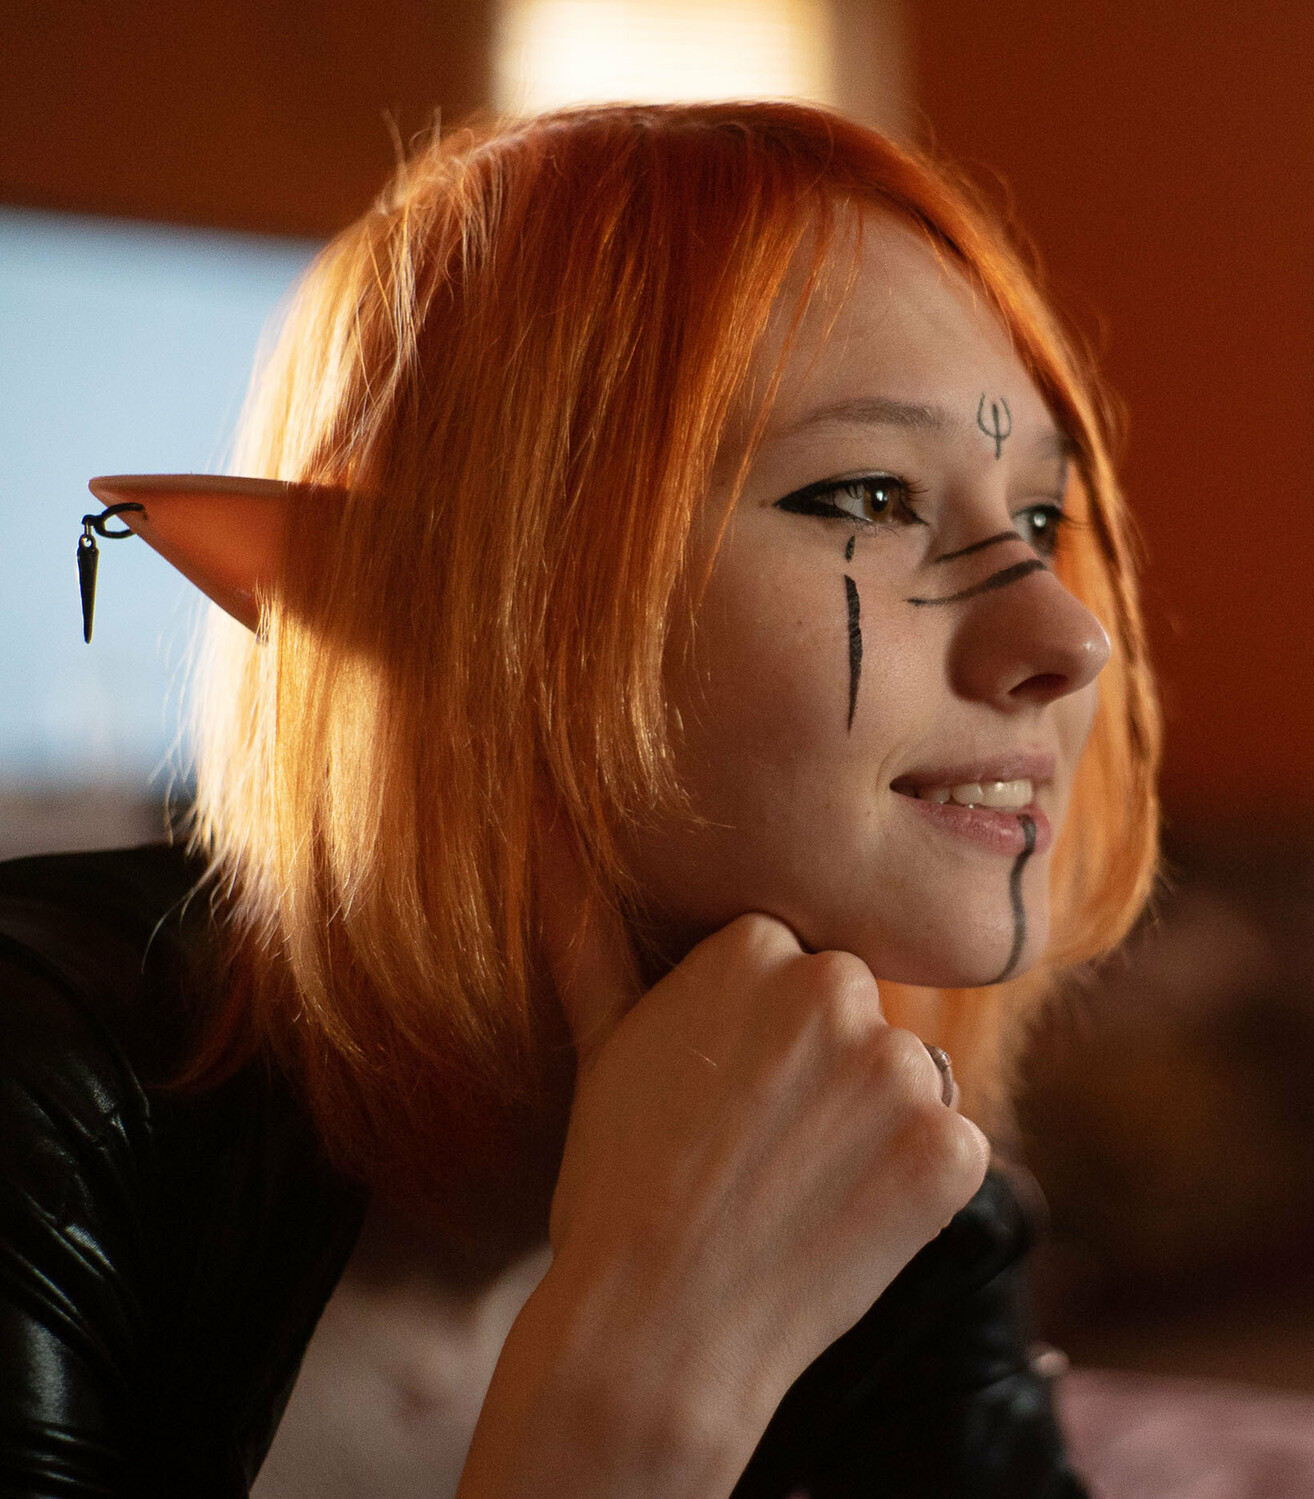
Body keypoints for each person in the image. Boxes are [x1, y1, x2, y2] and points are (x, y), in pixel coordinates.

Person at [0, 101, 1160, 1496]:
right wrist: (648, 1376)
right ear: (478, 613)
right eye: (867, 496)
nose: (1067, 636)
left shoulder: (898, 1204)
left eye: (1037, 517)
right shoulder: (45, 1094)